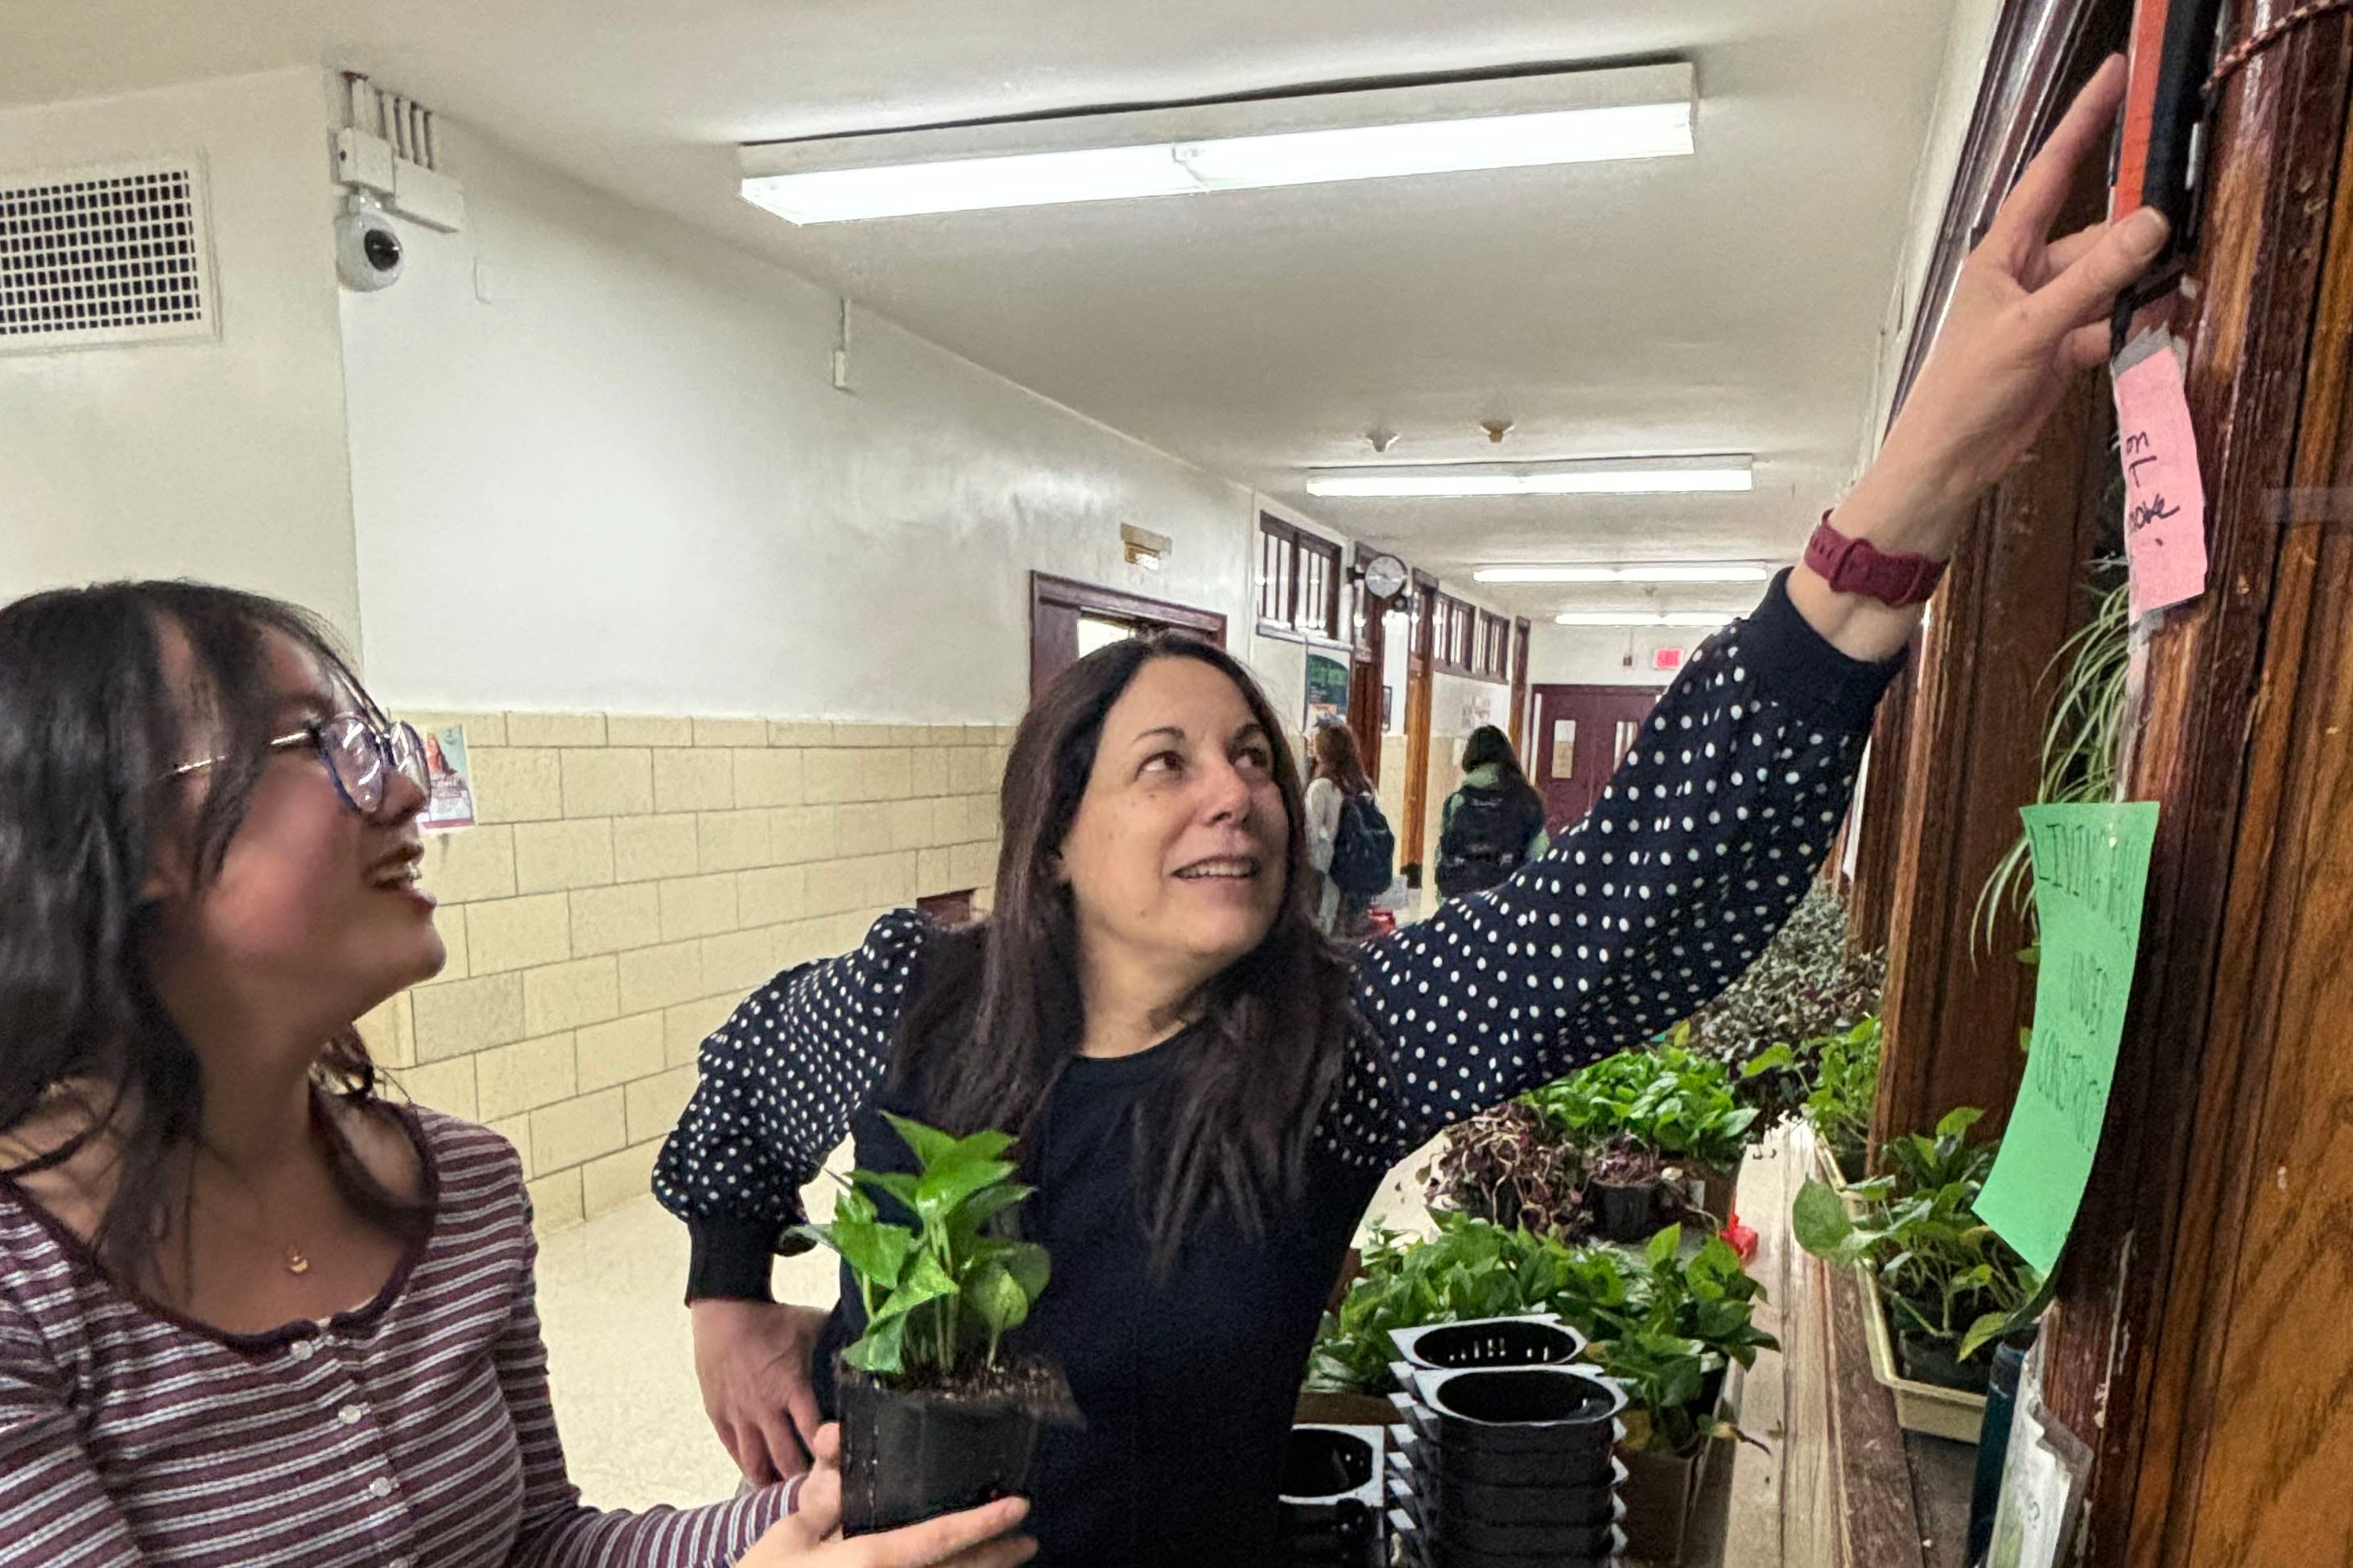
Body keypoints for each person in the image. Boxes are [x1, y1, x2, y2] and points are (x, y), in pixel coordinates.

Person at [658, 59, 2167, 1568]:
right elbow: (737, 1083)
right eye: (1163, 762)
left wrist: (1901, 502)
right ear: (1049, 834)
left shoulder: (1333, 1044)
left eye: (1251, 755)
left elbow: (1628, 901)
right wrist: (730, 1290)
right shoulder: (908, 999)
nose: (1236, 790)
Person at [0, 581, 1034, 1568]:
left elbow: (538, 1545)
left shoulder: (462, 1186)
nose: (408, 789)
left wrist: (827, 1512)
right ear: (125, 834)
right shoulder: (22, 1293)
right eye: (319, 746)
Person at [1434, 724, 1550, 899]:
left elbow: (1442, 856)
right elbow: (1540, 858)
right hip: (1509, 905)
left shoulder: (1458, 802)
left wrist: (1447, 905)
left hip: (1463, 904)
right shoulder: (1526, 801)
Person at [1302, 722, 1385, 938]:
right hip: (1361, 875)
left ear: (1324, 751)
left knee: (1329, 936)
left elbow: (1310, 835)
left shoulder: (1322, 787)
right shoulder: (1366, 786)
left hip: (1332, 877)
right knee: (1356, 937)